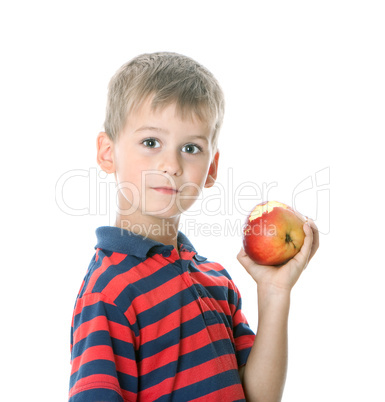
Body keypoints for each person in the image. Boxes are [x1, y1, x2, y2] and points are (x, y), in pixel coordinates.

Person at [68, 52, 319, 401]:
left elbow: (259, 396)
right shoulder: (109, 291)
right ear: (108, 152)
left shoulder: (216, 280)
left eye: (190, 147)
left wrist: (274, 295)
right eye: (151, 142)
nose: (171, 164)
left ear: (212, 168)